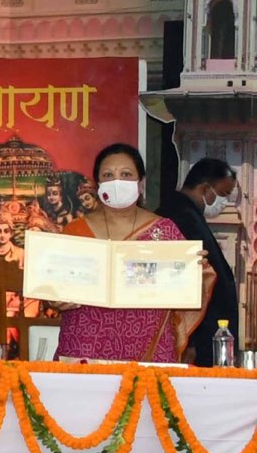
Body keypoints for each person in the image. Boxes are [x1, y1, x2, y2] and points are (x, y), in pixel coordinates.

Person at [53, 143, 214, 363]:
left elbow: (187, 289)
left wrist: (193, 271)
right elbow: (55, 285)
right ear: (97, 184)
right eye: (108, 175)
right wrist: (53, 300)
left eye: (126, 174)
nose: (117, 181)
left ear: (141, 183)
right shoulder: (75, 231)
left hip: (149, 348)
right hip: (84, 347)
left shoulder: (164, 231)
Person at [159, 158, 240, 364]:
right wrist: (190, 341)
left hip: (208, 332)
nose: (223, 203)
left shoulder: (190, 214)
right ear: (204, 188)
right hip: (195, 335)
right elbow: (183, 280)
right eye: (222, 194)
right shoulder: (179, 216)